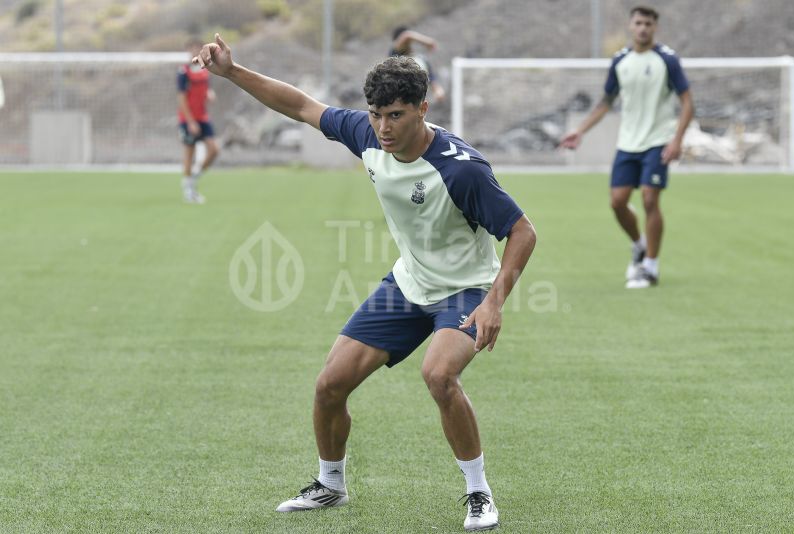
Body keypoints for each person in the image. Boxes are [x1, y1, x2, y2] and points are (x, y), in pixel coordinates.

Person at [194, 34, 537, 532]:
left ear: (423, 108)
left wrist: (494, 303)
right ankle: (330, 483)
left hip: (465, 289)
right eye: (375, 114)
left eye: (395, 115)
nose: (383, 127)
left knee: (439, 376)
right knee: (330, 386)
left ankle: (478, 492)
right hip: (409, 282)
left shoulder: (462, 171)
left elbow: (523, 231)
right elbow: (299, 104)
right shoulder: (368, 135)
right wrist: (232, 71)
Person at [560, 5, 693, 288]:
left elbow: (687, 103)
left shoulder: (667, 60)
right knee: (617, 202)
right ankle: (639, 245)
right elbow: (606, 102)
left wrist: (677, 139)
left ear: (655, 27)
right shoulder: (620, 60)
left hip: (658, 142)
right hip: (628, 144)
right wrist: (579, 131)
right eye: (638, 23)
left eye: (648, 23)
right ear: (630, 26)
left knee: (649, 199)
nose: (643, 28)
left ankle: (651, 267)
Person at [177, 37, 219, 204]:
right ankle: (189, 191)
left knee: (214, 150)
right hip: (189, 119)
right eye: (192, 48)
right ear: (188, 50)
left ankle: (193, 178)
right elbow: (181, 99)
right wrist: (190, 121)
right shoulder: (183, 72)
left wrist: (210, 94)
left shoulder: (204, 71)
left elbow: (205, 91)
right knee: (190, 153)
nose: (195, 51)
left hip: (203, 117)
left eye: (197, 48)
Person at [390, 26, 446, 103]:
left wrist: (438, 92)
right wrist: (428, 42)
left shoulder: (421, 60)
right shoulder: (395, 56)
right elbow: (407, 35)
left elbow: (432, 81)